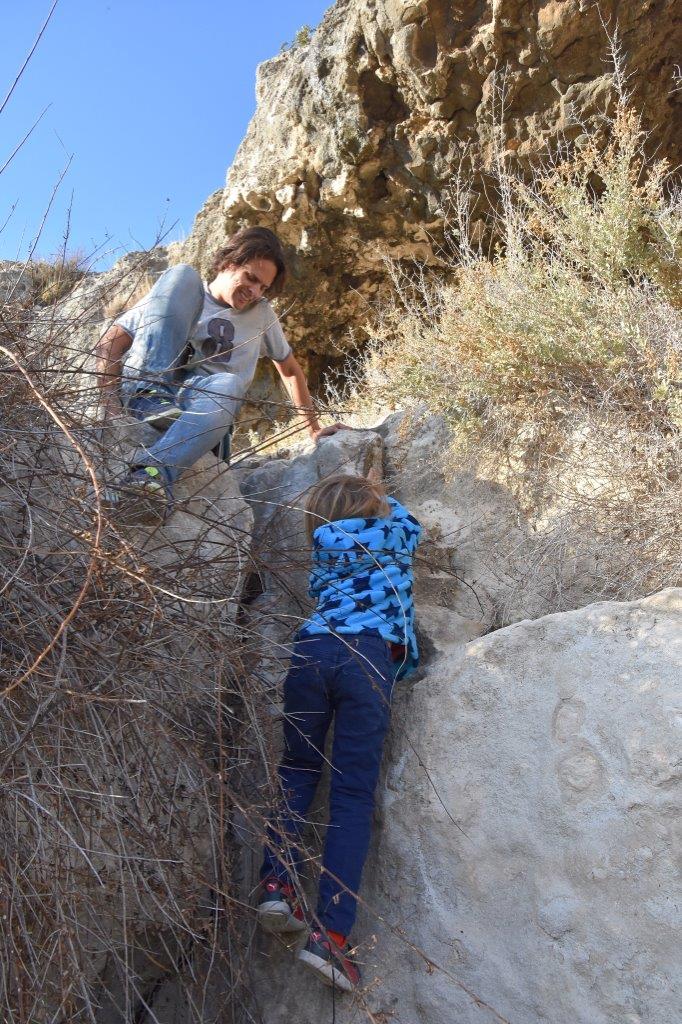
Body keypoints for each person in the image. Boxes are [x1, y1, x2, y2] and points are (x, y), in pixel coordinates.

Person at [257, 473, 422, 992]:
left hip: (311, 652)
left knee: (299, 770)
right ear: (375, 509)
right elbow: (412, 522)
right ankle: (330, 937)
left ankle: (275, 884)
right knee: (350, 795)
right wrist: (379, 496)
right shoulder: (392, 535)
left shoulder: (321, 552)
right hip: (366, 656)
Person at [95, 227, 344, 513]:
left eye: (263, 287)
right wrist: (109, 406)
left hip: (201, 405)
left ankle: (151, 475)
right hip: (151, 385)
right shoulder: (182, 293)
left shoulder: (261, 313)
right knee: (181, 274)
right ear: (228, 263)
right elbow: (111, 342)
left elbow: (289, 369)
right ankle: (149, 395)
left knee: (230, 384)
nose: (254, 292)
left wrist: (312, 429)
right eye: (251, 278)